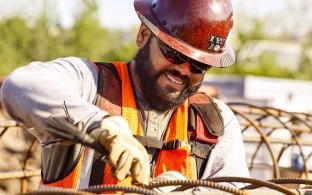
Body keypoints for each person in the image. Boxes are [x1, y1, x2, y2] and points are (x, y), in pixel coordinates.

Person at [0, 0, 250, 191]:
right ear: (143, 35)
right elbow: (18, 85)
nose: (184, 70)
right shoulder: (90, 85)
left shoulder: (214, 123)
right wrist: (99, 125)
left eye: (199, 66)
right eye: (175, 54)